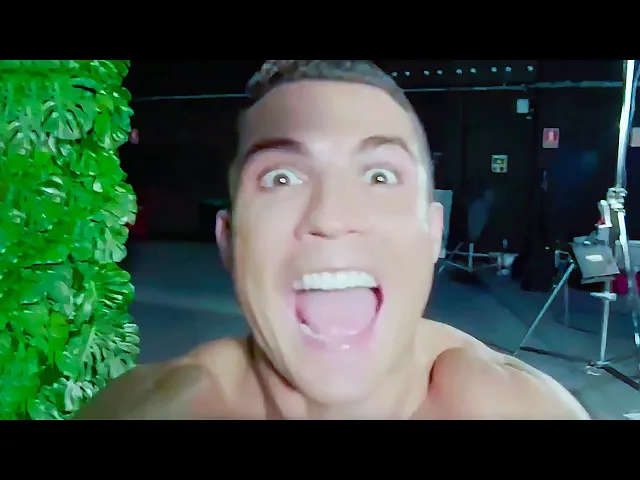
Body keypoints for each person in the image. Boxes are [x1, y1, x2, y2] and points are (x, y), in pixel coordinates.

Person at [75, 60, 589, 420]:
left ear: (433, 233)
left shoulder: (520, 409)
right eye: (281, 178)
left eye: (380, 176)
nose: (332, 216)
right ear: (228, 240)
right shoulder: (150, 410)